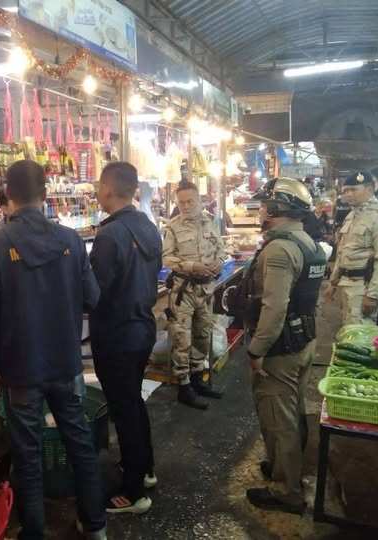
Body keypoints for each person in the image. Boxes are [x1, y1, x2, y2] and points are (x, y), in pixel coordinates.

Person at [0, 160, 106, 540]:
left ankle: (33, 532)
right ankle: (95, 525)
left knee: (27, 452)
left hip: (20, 368)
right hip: (66, 361)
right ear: (46, 194)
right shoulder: (71, 241)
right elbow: (93, 298)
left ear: (7, 194)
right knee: (79, 441)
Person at [238, 178, 327, 514]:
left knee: (279, 419)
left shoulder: (279, 249)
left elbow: (274, 307)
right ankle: (283, 467)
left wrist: (256, 350)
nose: (260, 210)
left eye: (264, 205)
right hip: (303, 341)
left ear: (277, 208)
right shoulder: (307, 242)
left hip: (281, 347)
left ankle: (286, 492)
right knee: (292, 411)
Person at [90, 162, 162, 514]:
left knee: (124, 409)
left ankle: (133, 493)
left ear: (107, 188)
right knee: (133, 402)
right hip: (142, 328)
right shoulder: (147, 226)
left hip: (116, 335)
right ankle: (144, 469)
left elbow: (95, 293)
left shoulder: (110, 235)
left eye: (98, 185)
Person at [163, 182, 226, 409]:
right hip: (184, 291)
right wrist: (192, 266)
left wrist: (219, 262)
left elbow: (220, 248)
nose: (186, 206)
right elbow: (166, 258)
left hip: (206, 290)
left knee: (202, 335)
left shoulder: (210, 221)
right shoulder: (172, 227)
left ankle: (198, 379)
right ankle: (184, 386)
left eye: (190, 201)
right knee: (182, 339)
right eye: (181, 202)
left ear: (199, 200)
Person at [325, 172, 378, 325]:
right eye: (345, 190)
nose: (348, 194)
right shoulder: (352, 216)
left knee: (360, 334)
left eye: (353, 189)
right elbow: (342, 251)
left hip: (364, 286)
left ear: (369, 189)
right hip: (347, 284)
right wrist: (333, 282)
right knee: (348, 331)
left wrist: (373, 294)